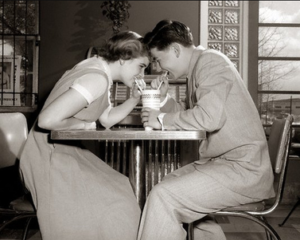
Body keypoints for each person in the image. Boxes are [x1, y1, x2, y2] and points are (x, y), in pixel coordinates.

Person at [138, 19, 275, 240]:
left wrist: (161, 118)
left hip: (243, 170)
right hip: (229, 165)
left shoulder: (210, 62)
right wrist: (164, 101)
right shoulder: (200, 66)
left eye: (159, 60)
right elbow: (191, 112)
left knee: (164, 196)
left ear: (175, 49)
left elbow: (209, 118)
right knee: (166, 186)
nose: (158, 67)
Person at [20, 31, 149, 240]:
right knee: (118, 202)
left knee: (119, 186)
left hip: (63, 152)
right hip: (49, 157)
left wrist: (134, 99)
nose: (141, 75)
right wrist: (85, 124)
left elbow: (106, 119)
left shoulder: (100, 70)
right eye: (141, 66)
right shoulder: (96, 78)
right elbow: (46, 120)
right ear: (125, 58)